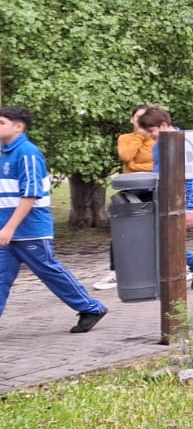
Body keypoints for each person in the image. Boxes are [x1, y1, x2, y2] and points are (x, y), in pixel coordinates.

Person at [0, 106, 111, 331]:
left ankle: (91, 308)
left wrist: (10, 227)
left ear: (18, 127)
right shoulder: (5, 153)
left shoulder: (27, 153)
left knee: (50, 271)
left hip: (30, 231)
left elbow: (30, 195)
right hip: (7, 232)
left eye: (2, 123)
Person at [137, 107, 193, 289]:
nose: (150, 136)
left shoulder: (183, 141)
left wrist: (190, 207)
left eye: (151, 131)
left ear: (163, 125)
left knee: (165, 239)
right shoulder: (158, 145)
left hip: (177, 200)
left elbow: (192, 177)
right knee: (161, 238)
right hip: (162, 198)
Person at [94, 104, 155, 291]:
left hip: (152, 188)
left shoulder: (156, 138)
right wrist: (139, 137)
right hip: (131, 189)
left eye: (145, 118)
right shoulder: (125, 138)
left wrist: (135, 166)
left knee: (155, 229)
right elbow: (126, 155)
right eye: (138, 118)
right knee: (121, 229)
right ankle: (115, 272)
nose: (141, 121)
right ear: (131, 119)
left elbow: (156, 165)